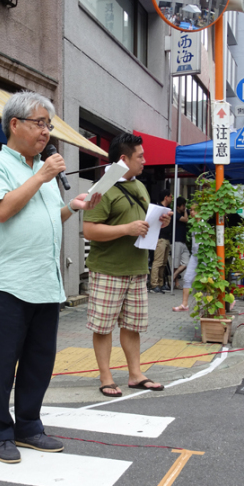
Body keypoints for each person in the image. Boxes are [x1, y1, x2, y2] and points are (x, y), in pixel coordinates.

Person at [0, 91, 101, 464]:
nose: (47, 131)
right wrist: (43, 174)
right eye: (40, 123)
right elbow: (2, 210)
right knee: (1, 363)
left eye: (49, 125)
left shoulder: (42, 171)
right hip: (10, 283)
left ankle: (28, 425)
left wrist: (70, 208)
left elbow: (43, 218)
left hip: (46, 283)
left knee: (39, 361)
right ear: (14, 125)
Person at [83, 133, 170, 398]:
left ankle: (135, 374)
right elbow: (89, 230)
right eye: (140, 156)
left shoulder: (139, 186)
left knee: (132, 325)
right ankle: (106, 376)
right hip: (108, 268)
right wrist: (127, 229)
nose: (145, 161)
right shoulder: (103, 187)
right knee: (103, 326)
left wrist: (159, 222)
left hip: (135, 268)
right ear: (124, 159)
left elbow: (141, 222)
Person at [173, 205, 198, 311]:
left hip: (204, 256)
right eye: (190, 210)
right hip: (194, 255)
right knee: (187, 278)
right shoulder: (194, 225)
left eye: (193, 210)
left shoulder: (205, 225)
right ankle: (184, 304)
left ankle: (226, 300)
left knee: (212, 280)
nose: (191, 212)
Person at [149, 189, 173, 293]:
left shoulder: (168, 209)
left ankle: (161, 283)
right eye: (171, 196)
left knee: (163, 263)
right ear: (166, 197)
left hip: (166, 238)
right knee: (158, 262)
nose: (172, 199)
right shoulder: (158, 208)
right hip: (160, 238)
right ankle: (154, 284)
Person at [173, 196, 190, 289]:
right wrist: (185, 212)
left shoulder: (185, 212)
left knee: (186, 261)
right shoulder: (175, 214)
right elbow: (185, 220)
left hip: (183, 241)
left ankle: (173, 276)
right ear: (177, 206)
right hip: (176, 240)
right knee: (176, 263)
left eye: (185, 205)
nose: (184, 207)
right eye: (182, 205)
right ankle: (176, 283)